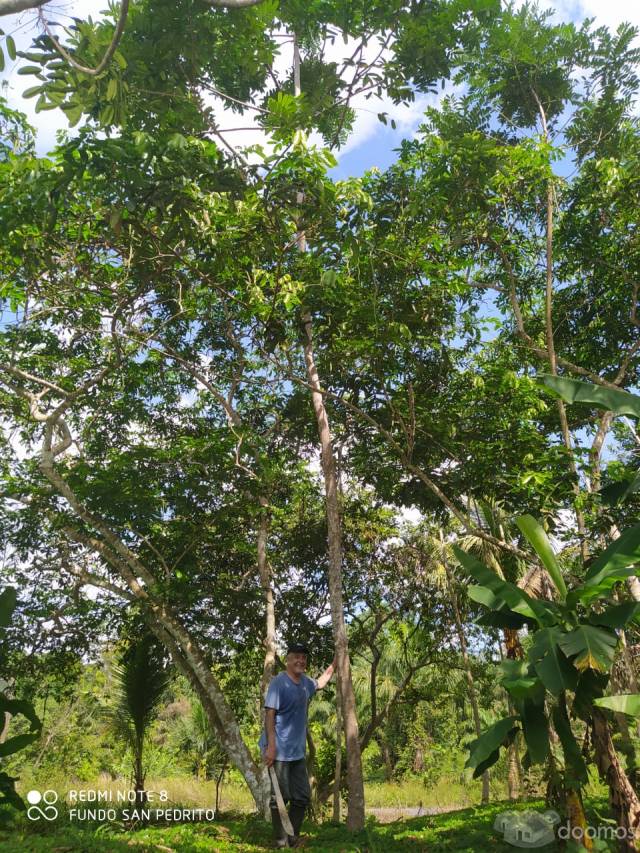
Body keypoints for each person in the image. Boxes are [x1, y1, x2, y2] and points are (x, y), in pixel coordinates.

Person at [259, 643, 336, 848]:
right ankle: (280, 840)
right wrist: (271, 748)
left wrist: (336, 663)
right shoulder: (279, 683)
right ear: (288, 659)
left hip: (297, 753)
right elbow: (269, 716)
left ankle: (292, 836)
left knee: (302, 797)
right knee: (280, 798)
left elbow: (321, 682)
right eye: (297, 657)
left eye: (304, 658)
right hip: (279, 750)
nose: (301, 661)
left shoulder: (304, 683)